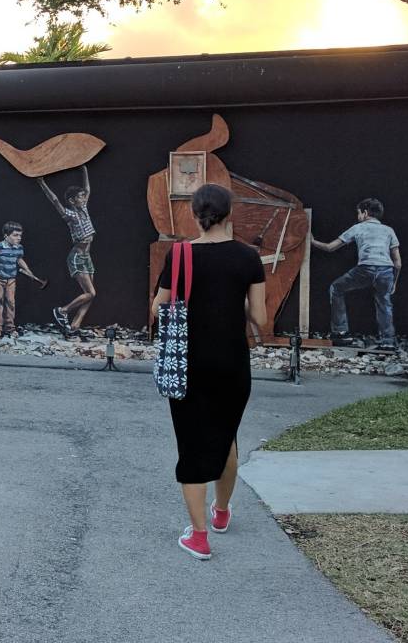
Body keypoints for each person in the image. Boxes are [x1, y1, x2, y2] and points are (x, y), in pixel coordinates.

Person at [150, 184, 267, 560]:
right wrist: (234, 303)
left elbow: (158, 308)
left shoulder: (180, 254)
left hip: (189, 363)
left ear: (194, 214)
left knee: (192, 443)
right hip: (233, 364)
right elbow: (260, 319)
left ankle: (199, 538)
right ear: (230, 213)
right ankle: (221, 512)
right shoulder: (249, 257)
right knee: (226, 437)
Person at [312, 198, 401, 351]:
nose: (358, 216)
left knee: (336, 288)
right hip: (386, 271)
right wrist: (394, 282)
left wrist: (313, 242)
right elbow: (398, 263)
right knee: (384, 303)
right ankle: (388, 342)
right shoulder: (389, 230)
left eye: (358, 213)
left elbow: (330, 247)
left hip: (366, 269)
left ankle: (341, 332)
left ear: (365, 213)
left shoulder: (358, 227)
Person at [37, 166, 97, 338]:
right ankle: (62, 310)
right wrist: (42, 183)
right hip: (77, 256)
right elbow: (55, 200)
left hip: (87, 256)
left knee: (90, 295)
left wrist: (85, 170)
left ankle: (75, 326)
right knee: (91, 293)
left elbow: (87, 189)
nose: (83, 198)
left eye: (83, 196)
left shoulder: (84, 209)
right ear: (72, 200)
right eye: (80, 197)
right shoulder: (70, 215)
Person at [0, 222, 46, 337]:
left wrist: (28, 270)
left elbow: (19, 260)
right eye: (15, 235)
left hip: (11, 279)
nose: (19, 238)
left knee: (11, 302)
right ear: (6, 236)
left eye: (20, 235)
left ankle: (10, 328)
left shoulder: (19, 248)